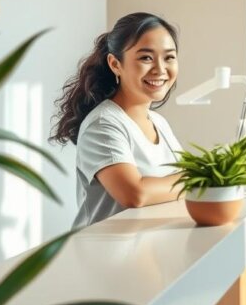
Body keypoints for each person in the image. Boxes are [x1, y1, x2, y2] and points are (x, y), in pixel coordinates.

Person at [51, 12, 184, 228]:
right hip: (106, 254)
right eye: (146, 57)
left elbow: (179, 181)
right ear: (115, 64)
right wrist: (201, 180)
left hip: (149, 249)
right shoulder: (103, 123)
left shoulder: (159, 122)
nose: (160, 69)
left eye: (169, 57)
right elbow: (135, 193)